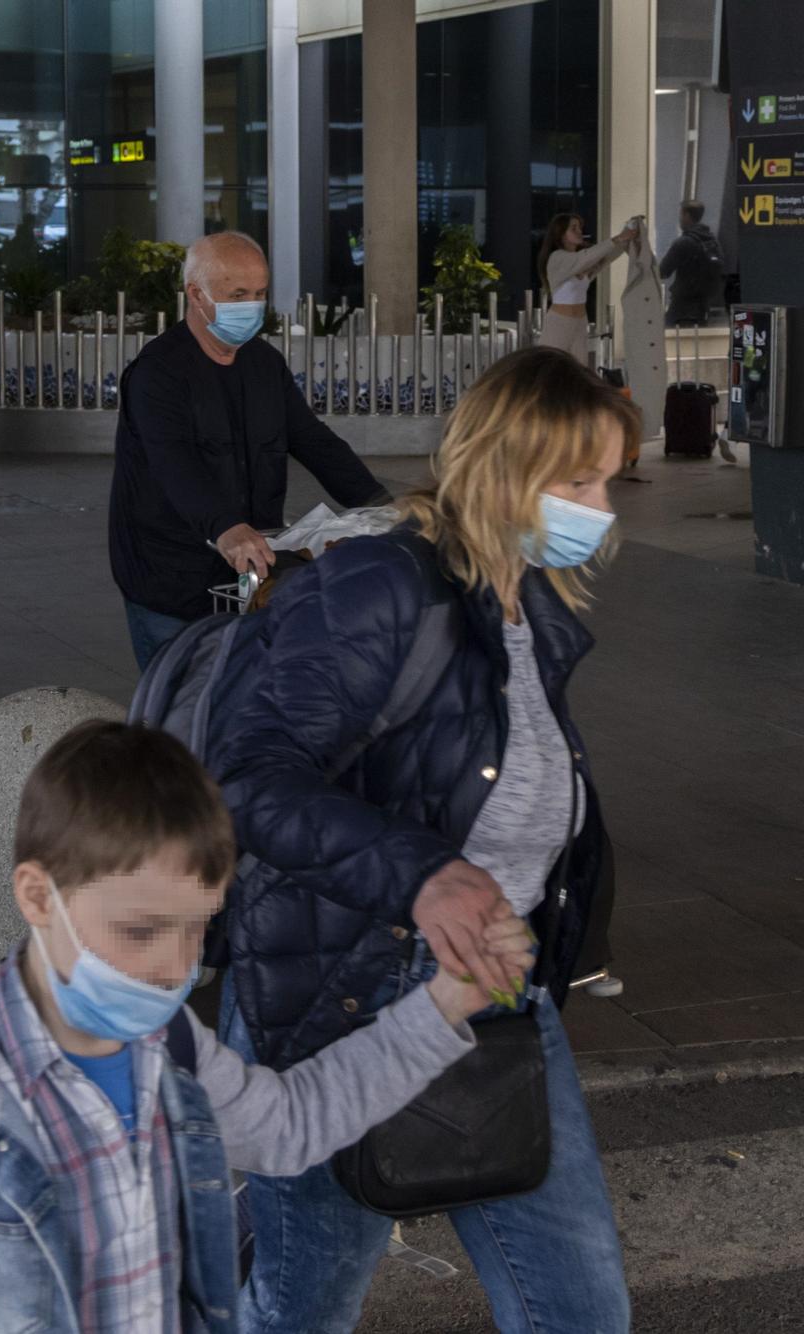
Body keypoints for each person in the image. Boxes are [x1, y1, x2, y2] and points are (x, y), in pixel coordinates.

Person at [0, 720, 526, 1333]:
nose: (173, 966)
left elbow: (290, 1128)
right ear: (34, 896)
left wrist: (447, 1002)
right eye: (138, 930)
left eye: (196, 927)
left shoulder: (174, 1051)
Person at [208, 346, 635, 1332]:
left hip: (489, 993)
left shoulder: (529, 609)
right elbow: (247, 774)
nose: (599, 502)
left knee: (579, 1309)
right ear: (504, 465)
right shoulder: (378, 586)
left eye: (606, 477)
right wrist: (427, 875)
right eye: (576, 478)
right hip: (336, 997)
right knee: (299, 1311)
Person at [109, 230, 386, 670]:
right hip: (170, 575)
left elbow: (314, 441)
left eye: (259, 293)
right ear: (196, 295)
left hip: (252, 569)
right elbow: (173, 463)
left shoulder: (263, 363)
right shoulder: (157, 373)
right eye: (238, 294)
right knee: (177, 706)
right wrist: (227, 528)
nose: (252, 305)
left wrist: (382, 507)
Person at [539, 213, 641, 363]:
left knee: (581, 369)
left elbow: (608, 256)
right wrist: (618, 237)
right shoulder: (557, 258)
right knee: (551, 367)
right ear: (560, 233)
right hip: (559, 323)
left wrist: (630, 227)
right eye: (573, 228)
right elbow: (585, 257)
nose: (579, 231)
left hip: (580, 321)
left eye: (580, 227)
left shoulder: (582, 260)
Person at [660, 200, 725, 328]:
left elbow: (662, 272)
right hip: (703, 308)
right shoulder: (713, 242)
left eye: (681, 215)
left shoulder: (684, 242)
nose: (680, 219)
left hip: (681, 308)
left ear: (687, 216)